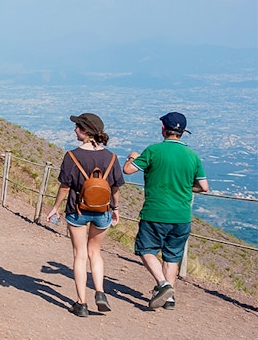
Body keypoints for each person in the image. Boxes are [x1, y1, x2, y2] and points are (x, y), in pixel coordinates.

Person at [123, 112, 208, 311]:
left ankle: (163, 286)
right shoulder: (192, 156)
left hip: (155, 212)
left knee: (146, 250)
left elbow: (128, 170)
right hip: (181, 216)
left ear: (163, 129)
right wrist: (187, 187)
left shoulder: (153, 151)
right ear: (183, 132)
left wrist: (132, 157)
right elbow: (204, 187)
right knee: (172, 257)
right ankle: (169, 299)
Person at [46, 114, 125, 317]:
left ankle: (81, 303)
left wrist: (55, 207)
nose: (75, 131)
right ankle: (100, 291)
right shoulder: (112, 157)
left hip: (77, 211)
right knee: (95, 253)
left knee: (79, 255)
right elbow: (115, 188)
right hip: (103, 211)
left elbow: (65, 187)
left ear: (85, 131)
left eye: (77, 127)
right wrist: (115, 209)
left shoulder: (72, 156)